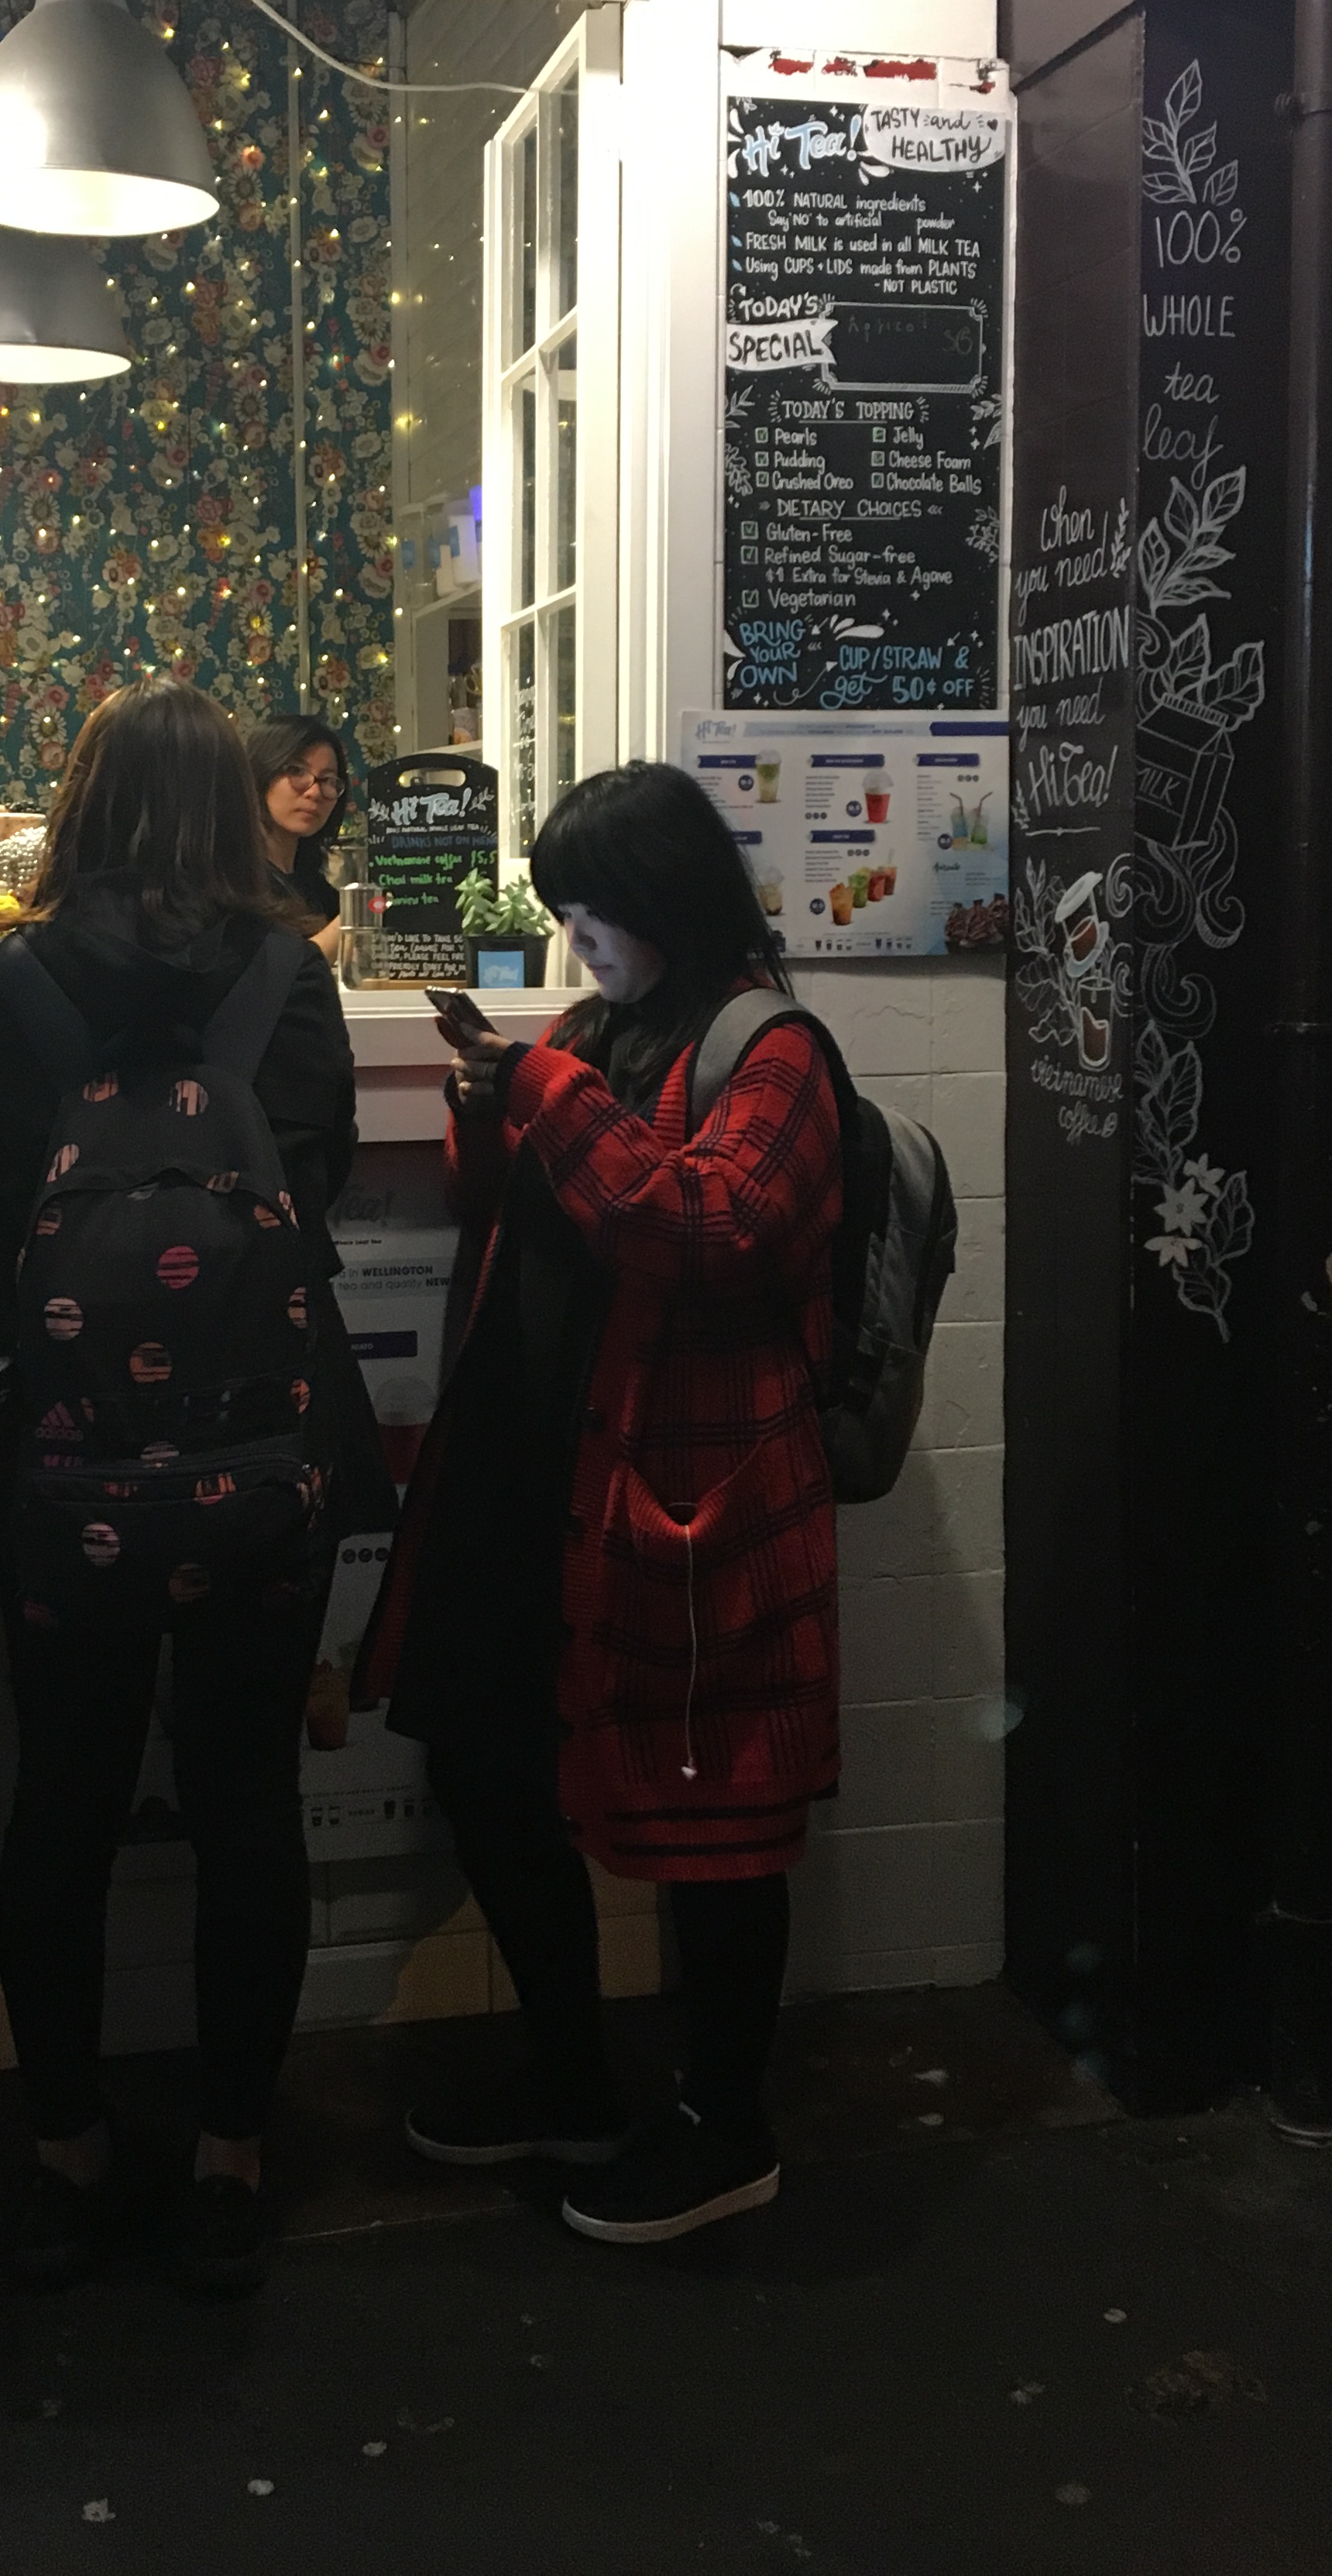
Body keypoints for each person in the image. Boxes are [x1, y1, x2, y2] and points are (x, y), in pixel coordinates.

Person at [0, 681, 393, 2299]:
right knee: (247, 1797)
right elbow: (316, 1181)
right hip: (262, 1453)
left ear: (84, 800)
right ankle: (233, 2150)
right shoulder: (290, 973)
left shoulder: (12, 979)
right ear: (227, 809)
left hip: (63, 1459)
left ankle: (69, 2146)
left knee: (63, 1791)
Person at [357, 761, 843, 2245]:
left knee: (714, 1812)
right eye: (561, 911)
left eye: (593, 911)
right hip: (532, 1473)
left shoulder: (770, 1050)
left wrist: (543, 1092)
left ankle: (725, 2127)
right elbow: (518, 1207)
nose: (575, 940)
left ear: (667, 900)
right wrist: (483, 1109)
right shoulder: (589, 1031)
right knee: (483, 1762)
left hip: (685, 1493)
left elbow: (703, 1224)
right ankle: (569, 2075)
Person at [243, 713, 350, 964]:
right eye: (296, 771)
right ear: (260, 775)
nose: (315, 791)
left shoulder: (317, 887)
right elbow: (274, 974)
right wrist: (356, 916)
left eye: (328, 780)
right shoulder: (234, 882)